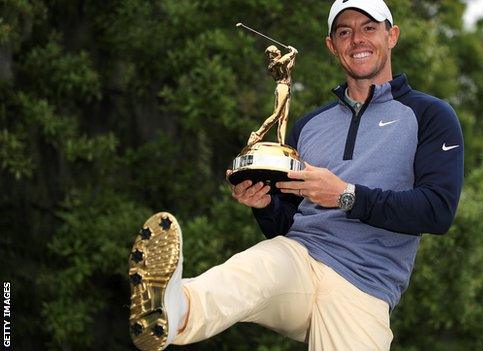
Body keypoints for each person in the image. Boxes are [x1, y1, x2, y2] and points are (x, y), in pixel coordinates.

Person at [128, 0, 464, 350]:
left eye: (369, 28)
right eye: (344, 32)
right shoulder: (308, 127)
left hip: (363, 285)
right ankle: (174, 308)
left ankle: (174, 305)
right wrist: (263, 205)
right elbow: (284, 223)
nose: (357, 40)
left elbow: (437, 211)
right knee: (251, 271)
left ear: (391, 35)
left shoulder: (430, 115)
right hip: (299, 259)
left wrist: (346, 194)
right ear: (331, 45)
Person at [247, 45, 298, 146]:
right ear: (272, 55)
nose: (279, 52)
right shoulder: (273, 65)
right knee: (277, 114)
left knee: (284, 117)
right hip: (282, 88)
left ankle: (282, 142)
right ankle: (257, 134)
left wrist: (294, 54)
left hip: (287, 89)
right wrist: (291, 53)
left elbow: (290, 66)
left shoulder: (282, 64)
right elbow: (281, 62)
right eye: (276, 51)